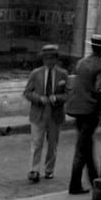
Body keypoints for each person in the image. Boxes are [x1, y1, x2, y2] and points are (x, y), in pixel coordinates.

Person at [65, 34, 101, 195]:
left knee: (86, 145)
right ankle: (74, 184)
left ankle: (93, 179)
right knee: (82, 148)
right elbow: (99, 89)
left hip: (77, 109)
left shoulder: (81, 62)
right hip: (90, 111)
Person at [23, 43, 69, 183]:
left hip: (55, 114)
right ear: (43, 60)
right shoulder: (36, 74)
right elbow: (27, 92)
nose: (49, 61)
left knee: (52, 144)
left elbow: (68, 94)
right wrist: (39, 99)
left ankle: (49, 170)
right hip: (38, 113)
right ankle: (34, 170)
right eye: (47, 59)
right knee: (37, 142)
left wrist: (57, 98)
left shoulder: (63, 74)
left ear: (56, 59)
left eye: (52, 59)